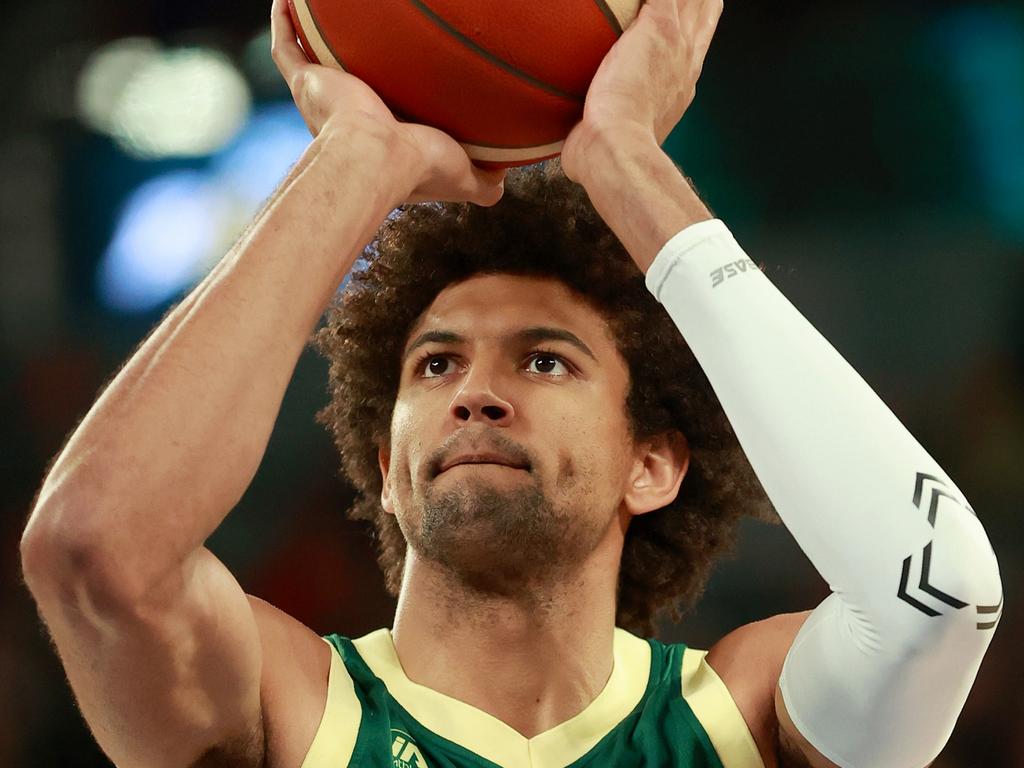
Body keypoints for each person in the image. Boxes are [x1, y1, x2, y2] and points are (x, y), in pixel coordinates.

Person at [19, 0, 1002, 766]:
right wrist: (355, 160)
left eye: (544, 359)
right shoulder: (291, 712)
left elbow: (939, 596)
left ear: (650, 465)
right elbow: (93, 548)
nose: (474, 394)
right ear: (384, 467)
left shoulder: (742, 720)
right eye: (435, 362)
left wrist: (625, 163)